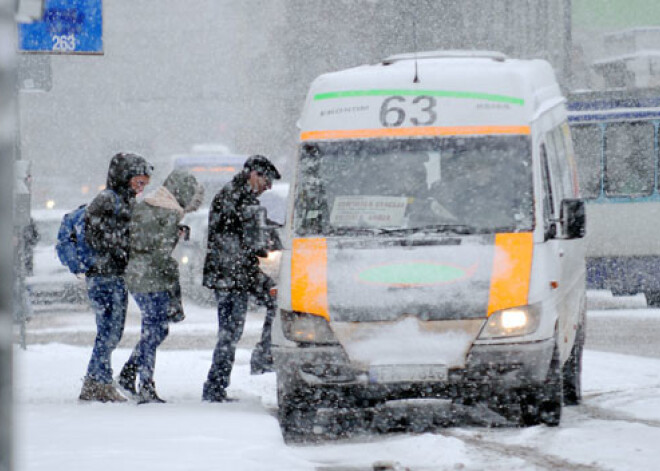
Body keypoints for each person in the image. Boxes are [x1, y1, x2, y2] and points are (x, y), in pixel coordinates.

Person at [116, 170, 204, 404]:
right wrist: (171, 274)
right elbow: (161, 253)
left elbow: (144, 239)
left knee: (153, 329)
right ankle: (144, 384)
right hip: (152, 278)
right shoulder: (171, 212)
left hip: (134, 274)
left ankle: (129, 374)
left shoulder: (148, 204)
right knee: (154, 330)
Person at [201, 154, 281, 402]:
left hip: (240, 272)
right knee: (230, 332)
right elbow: (239, 238)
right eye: (266, 182)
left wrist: (274, 235)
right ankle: (215, 387)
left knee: (276, 301)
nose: (268, 188)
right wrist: (260, 243)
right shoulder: (233, 196)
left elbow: (258, 229)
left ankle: (262, 358)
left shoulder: (242, 197)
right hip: (230, 276)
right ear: (254, 174)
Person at [79, 152, 153, 403]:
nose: (141, 187)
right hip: (104, 276)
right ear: (124, 177)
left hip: (114, 275)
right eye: (138, 181)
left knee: (111, 331)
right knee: (109, 331)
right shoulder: (107, 200)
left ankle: (96, 380)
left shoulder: (123, 200)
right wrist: (124, 243)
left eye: (145, 183)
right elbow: (97, 236)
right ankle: (97, 383)